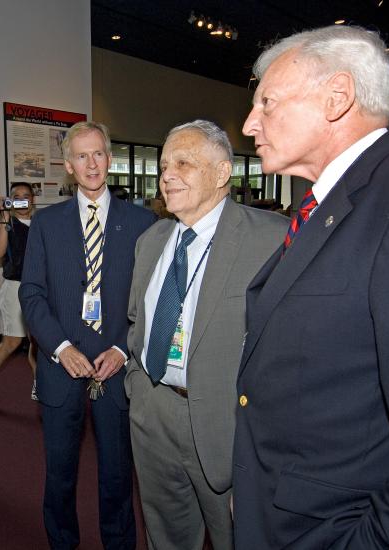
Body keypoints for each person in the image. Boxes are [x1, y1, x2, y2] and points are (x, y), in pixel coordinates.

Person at [234, 25, 389, 548]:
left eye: (267, 103)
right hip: (281, 513)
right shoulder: (326, 205)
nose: (251, 123)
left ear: (337, 98)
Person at [124, 120, 286, 550]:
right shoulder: (151, 239)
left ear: (221, 174)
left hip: (227, 424)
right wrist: (139, 389)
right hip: (154, 410)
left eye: (183, 163)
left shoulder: (270, 239)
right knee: (167, 535)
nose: (167, 175)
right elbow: (136, 322)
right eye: (162, 166)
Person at [20, 121, 156, 550]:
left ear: (109, 159)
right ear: (68, 166)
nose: (91, 163)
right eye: (82, 156)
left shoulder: (143, 223)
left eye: (98, 154)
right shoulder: (46, 223)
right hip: (62, 366)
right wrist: (60, 348)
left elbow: (150, 297)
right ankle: (62, 541)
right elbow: (32, 293)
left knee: (117, 473)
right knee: (60, 471)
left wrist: (122, 347)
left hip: (116, 367)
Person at [0, 182, 38, 411]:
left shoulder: (43, 223)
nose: (21, 200)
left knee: (39, 341)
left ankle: (39, 382)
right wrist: (3, 218)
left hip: (40, 290)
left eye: (26, 196)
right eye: (16, 197)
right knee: (11, 342)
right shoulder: (8, 224)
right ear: (10, 201)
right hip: (15, 288)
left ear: (33, 200)